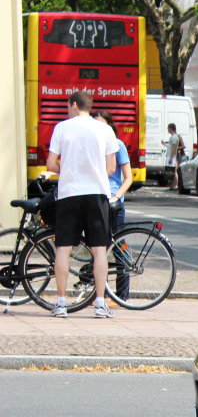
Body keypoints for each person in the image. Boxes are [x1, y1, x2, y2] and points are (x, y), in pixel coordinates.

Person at [46, 90, 117, 318]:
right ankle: (99, 304)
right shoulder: (105, 129)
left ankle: (60, 303)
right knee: (99, 251)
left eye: (68, 106)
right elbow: (111, 168)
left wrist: (68, 170)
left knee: (63, 249)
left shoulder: (62, 128)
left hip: (69, 193)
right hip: (96, 194)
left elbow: (50, 164)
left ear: (74, 105)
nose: (68, 110)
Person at [92, 109, 132, 299]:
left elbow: (129, 178)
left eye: (102, 124)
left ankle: (122, 295)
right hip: (96, 199)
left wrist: (117, 196)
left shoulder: (117, 145)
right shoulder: (92, 145)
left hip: (113, 203)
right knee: (97, 248)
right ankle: (99, 293)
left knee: (118, 247)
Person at [162, 122, 184, 190]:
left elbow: (174, 148)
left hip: (171, 156)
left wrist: (171, 158)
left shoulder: (174, 137)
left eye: (168, 128)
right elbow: (171, 147)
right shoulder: (173, 137)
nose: (167, 129)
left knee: (173, 171)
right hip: (169, 155)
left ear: (171, 128)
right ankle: (173, 185)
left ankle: (175, 185)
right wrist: (164, 145)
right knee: (171, 171)